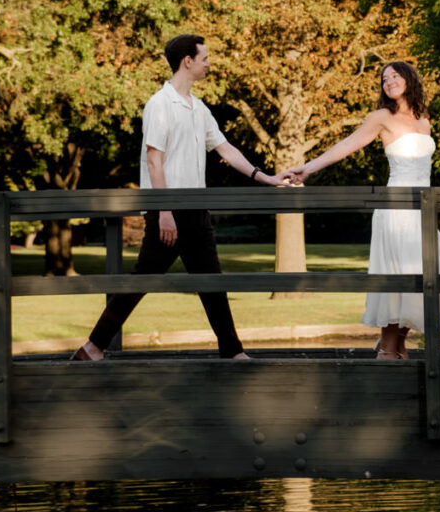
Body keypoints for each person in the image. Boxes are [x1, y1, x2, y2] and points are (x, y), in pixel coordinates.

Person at [72, 34, 287, 361]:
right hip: (168, 213)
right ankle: (93, 346)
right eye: (204, 57)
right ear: (187, 60)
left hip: (196, 211)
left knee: (212, 283)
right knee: (139, 284)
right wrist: (165, 213)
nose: (208, 62)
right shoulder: (160, 104)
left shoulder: (198, 108)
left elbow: (225, 149)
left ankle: (232, 351)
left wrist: (265, 177)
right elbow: (154, 160)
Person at [281, 61, 440, 359]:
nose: (389, 81)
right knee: (399, 279)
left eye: (395, 75)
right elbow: (348, 144)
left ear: (409, 79)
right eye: (384, 78)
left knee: (431, 275)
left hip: (422, 212)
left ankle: (394, 346)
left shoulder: (424, 121)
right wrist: (308, 169)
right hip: (396, 211)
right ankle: (388, 352)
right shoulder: (382, 117)